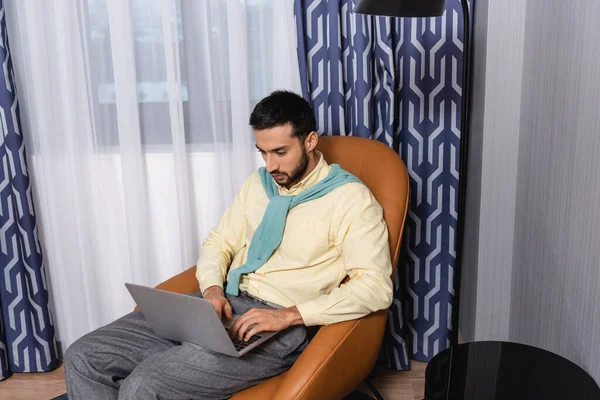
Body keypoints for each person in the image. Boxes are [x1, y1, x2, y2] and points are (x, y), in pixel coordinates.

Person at [64, 90, 393, 400]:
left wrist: (289, 316)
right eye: (262, 152)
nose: (271, 166)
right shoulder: (259, 184)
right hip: (222, 306)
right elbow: (220, 241)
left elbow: (375, 288)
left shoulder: (350, 200)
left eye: (280, 152)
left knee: (146, 383)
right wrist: (211, 291)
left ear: (309, 141)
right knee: (84, 356)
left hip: (279, 326)